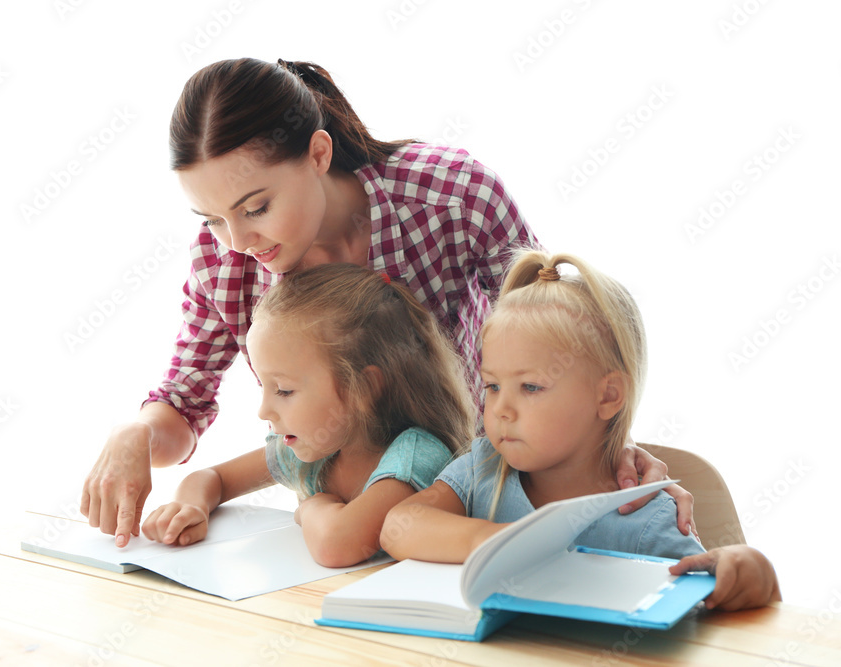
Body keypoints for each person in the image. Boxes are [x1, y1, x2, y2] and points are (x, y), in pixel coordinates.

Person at [81, 57, 687, 548]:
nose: (238, 242)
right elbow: (183, 406)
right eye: (211, 218)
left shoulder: (450, 196)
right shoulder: (222, 263)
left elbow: (559, 344)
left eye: (256, 207)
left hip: (480, 507)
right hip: (357, 543)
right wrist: (135, 433)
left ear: (318, 155)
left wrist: (605, 447)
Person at [381, 249, 780, 611]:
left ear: (607, 396)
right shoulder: (483, 470)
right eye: (492, 386)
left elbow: (714, 608)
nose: (501, 409)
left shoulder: (645, 517)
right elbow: (397, 527)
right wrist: (492, 543)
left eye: (531, 387)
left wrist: (751, 570)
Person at [141, 264, 474, 567]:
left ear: (364, 388)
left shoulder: (416, 455)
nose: (264, 411)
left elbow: (337, 545)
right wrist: (190, 506)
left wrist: (312, 507)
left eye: (284, 391)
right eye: (264, 387)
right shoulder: (312, 448)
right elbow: (212, 479)